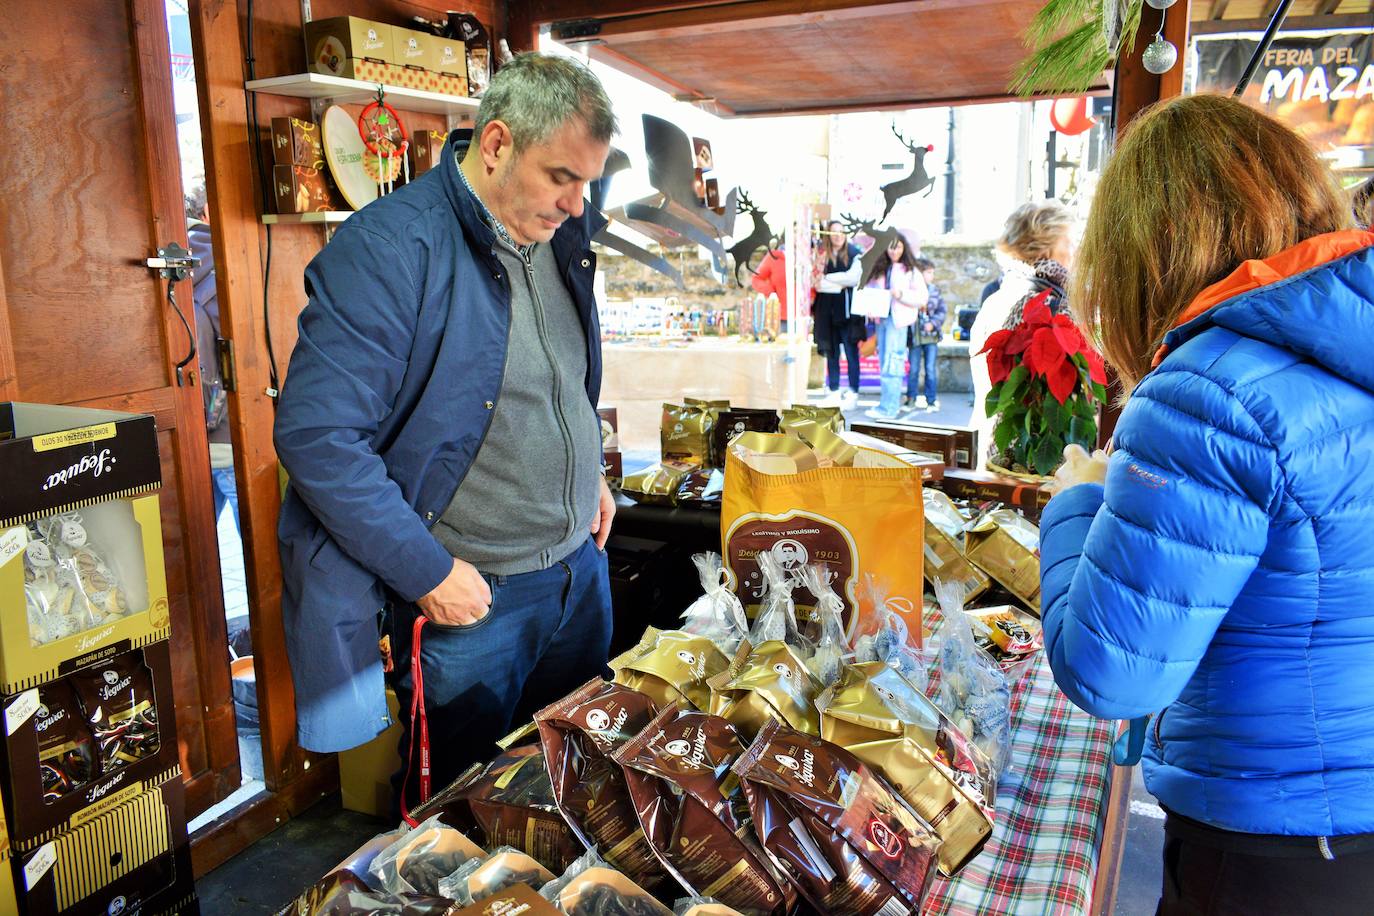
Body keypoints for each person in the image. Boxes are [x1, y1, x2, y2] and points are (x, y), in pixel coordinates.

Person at [1039, 95, 1374, 914]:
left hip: (1279, 839)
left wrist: (1076, 503)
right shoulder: (1345, 343)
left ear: (1138, 248)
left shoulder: (1206, 388)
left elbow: (1110, 672)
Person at [273, 53, 619, 811]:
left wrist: (586, 469)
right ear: (494, 144)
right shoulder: (387, 250)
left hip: (576, 575)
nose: (576, 201)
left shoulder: (558, 230)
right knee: (459, 815)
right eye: (562, 175)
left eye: (587, 181)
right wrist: (427, 571)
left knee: (569, 795)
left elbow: (555, 375)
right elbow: (317, 438)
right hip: (475, 598)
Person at [968, 201, 1074, 467]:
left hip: (992, 445)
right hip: (1028, 459)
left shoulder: (998, 297)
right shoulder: (1050, 303)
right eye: (1068, 243)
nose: (1074, 252)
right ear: (1045, 245)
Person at [859, 231, 926, 420]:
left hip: (898, 323)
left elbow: (922, 298)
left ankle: (889, 408)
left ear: (904, 247)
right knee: (885, 363)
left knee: (892, 364)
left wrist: (901, 295)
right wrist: (870, 308)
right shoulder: (880, 268)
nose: (894, 251)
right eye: (891, 246)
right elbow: (870, 292)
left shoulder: (911, 271)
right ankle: (886, 405)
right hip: (882, 320)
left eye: (897, 246)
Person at [812, 221, 865, 407]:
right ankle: (834, 390)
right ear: (827, 234)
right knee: (831, 353)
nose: (838, 235)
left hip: (848, 313)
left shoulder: (854, 253)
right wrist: (839, 283)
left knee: (851, 353)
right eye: (833, 232)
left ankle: (853, 392)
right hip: (826, 312)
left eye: (841, 232)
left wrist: (829, 279)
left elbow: (854, 278)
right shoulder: (821, 255)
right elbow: (816, 282)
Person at [905, 256, 945, 413]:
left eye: (932, 273)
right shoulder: (911, 291)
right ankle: (910, 398)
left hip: (931, 337)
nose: (931, 276)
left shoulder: (935, 291)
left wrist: (933, 323)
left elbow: (942, 311)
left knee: (930, 369)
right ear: (920, 274)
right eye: (928, 272)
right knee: (913, 368)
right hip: (915, 337)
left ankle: (931, 399)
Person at [750, 240, 788, 334]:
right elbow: (756, 279)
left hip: (804, 316)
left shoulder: (808, 256)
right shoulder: (774, 257)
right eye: (794, 231)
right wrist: (771, 293)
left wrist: (811, 296)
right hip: (781, 316)